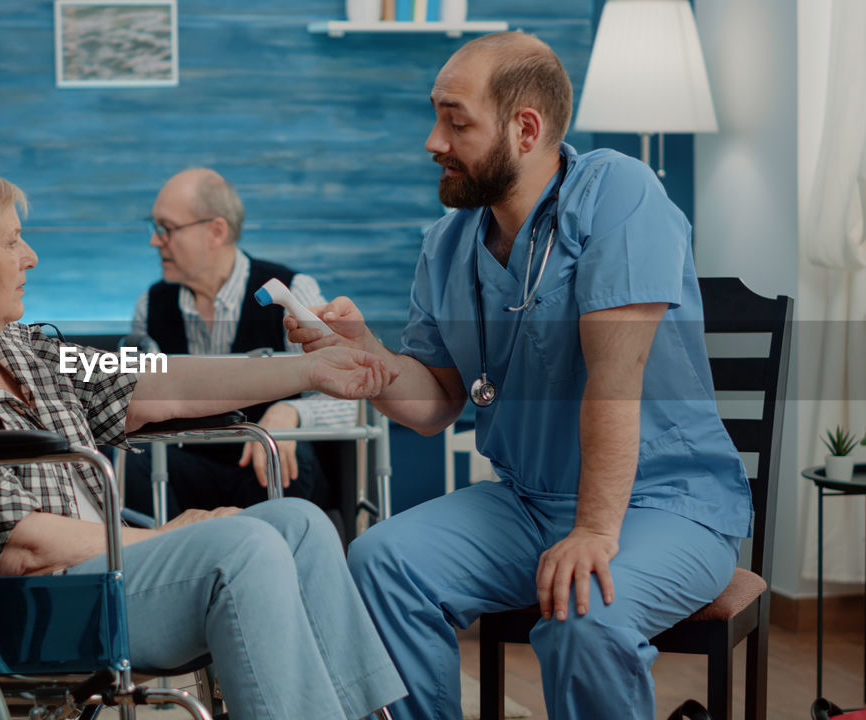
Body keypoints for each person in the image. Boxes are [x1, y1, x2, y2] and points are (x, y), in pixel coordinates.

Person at [287, 33, 750, 720]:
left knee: (582, 615)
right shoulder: (447, 245)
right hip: (528, 504)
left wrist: (594, 531)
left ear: (525, 128)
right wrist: (370, 360)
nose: (432, 140)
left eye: (455, 119)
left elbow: (614, 377)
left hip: (663, 506)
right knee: (382, 560)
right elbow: (438, 401)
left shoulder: (618, 194)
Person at [0, 160, 407, 720]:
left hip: (90, 579)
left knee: (300, 525)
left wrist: (311, 372)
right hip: (9, 610)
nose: (30, 257)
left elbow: (158, 383)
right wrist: (168, 535)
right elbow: (21, 546)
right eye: (13, 240)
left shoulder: (23, 350)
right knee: (243, 548)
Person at [126, 168, 357, 517]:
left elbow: (349, 398)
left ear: (216, 231)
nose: (154, 241)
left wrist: (290, 413)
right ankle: (168, 562)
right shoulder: (150, 306)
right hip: (189, 470)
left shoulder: (292, 292)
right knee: (132, 462)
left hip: (268, 470)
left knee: (283, 453)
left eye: (166, 229)